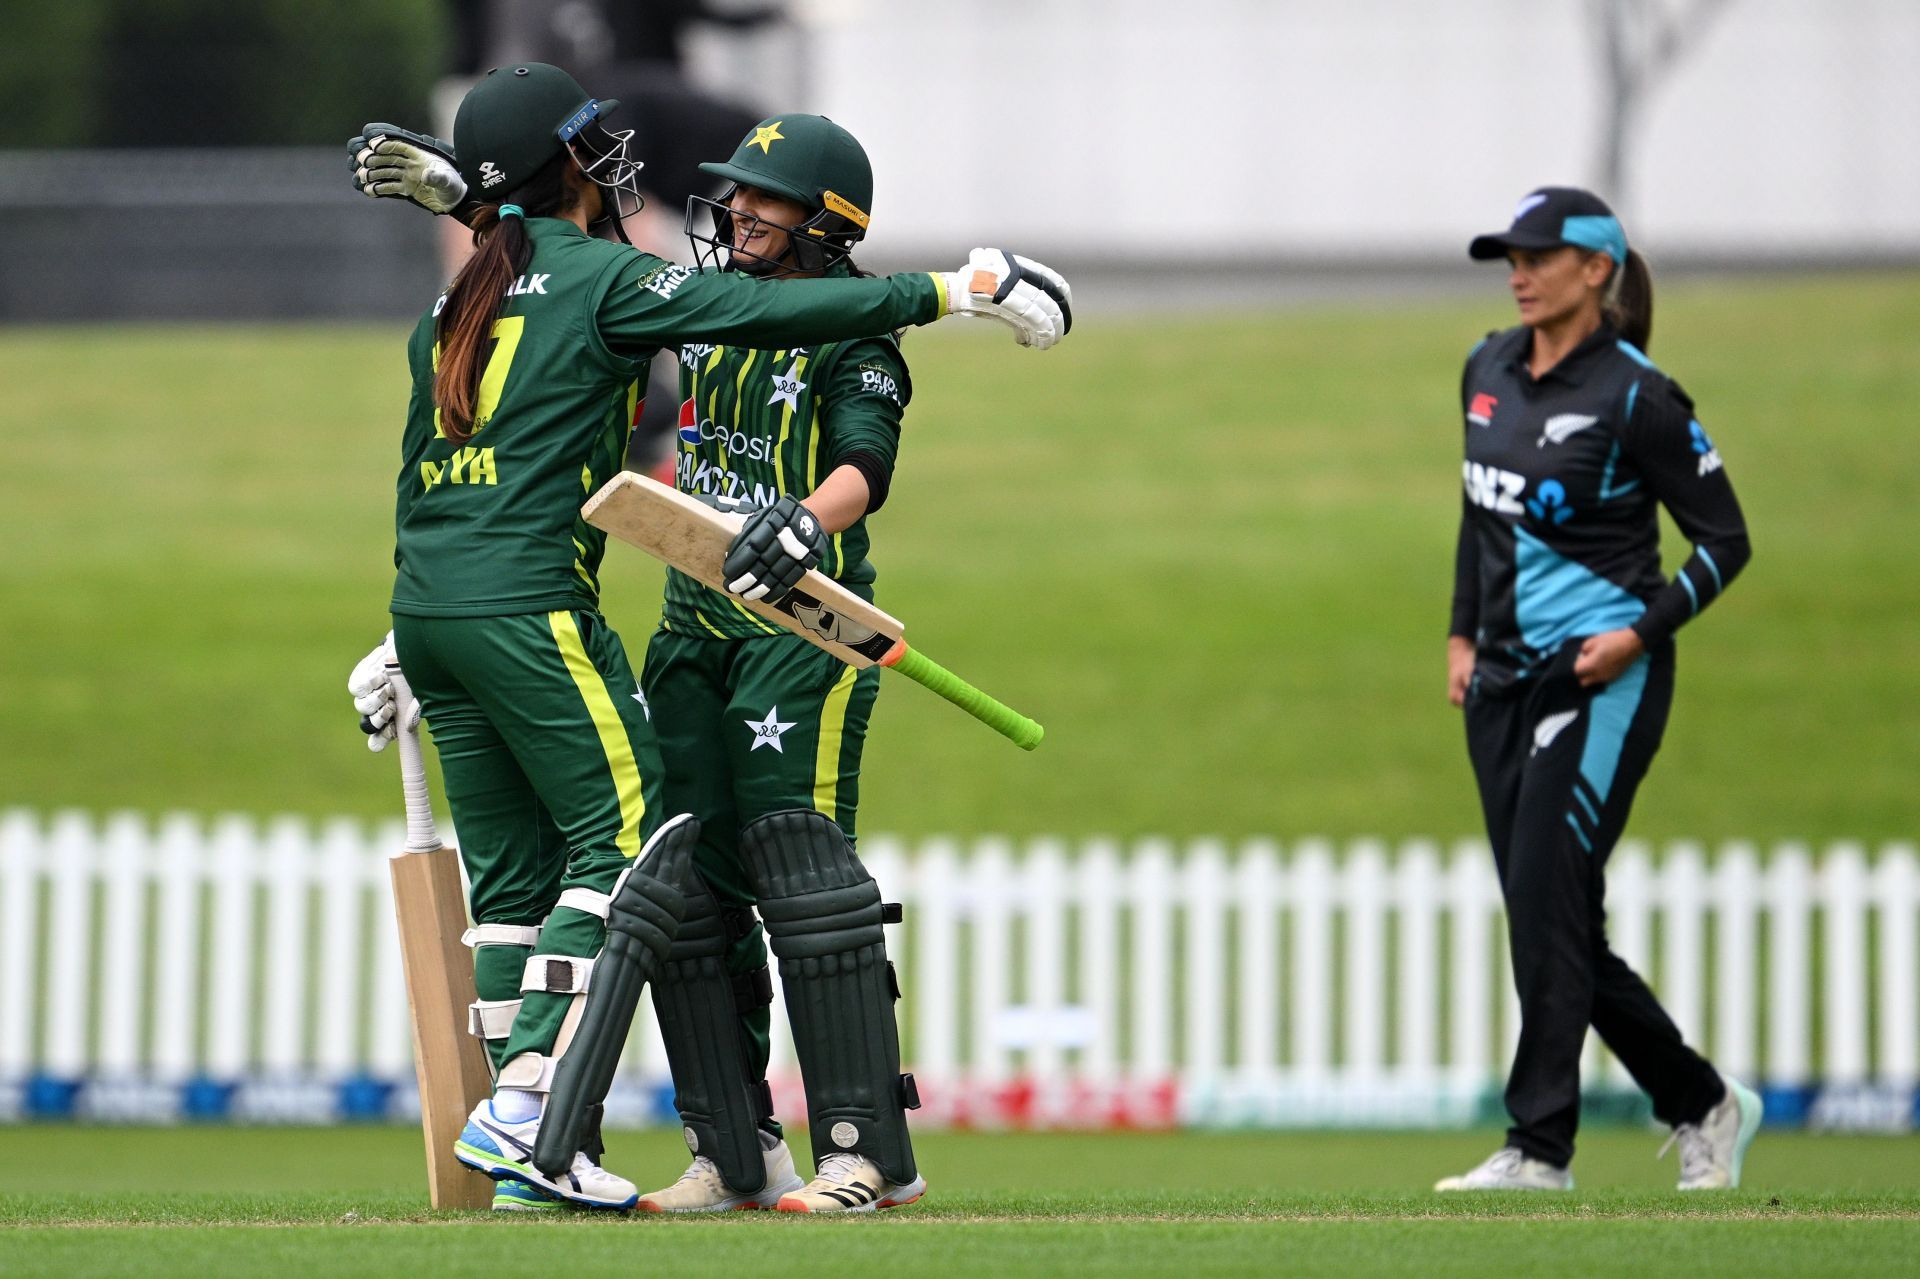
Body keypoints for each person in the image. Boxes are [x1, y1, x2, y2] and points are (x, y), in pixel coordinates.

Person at [344, 62, 1070, 1213]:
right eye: (732, 195)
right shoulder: (673, 297)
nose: (733, 212)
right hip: (689, 623)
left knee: (796, 863)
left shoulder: (839, 331)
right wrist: (479, 199)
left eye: (764, 201)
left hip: (800, 626)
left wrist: (816, 501)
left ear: (825, 224)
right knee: (673, 876)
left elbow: (861, 464)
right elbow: (555, 304)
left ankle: (861, 1151)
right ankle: (731, 1150)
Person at [1437, 187, 1760, 1191]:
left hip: (1598, 678)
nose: (1518, 272)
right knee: (1554, 915)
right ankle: (1702, 1099)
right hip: (1498, 678)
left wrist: (1638, 635)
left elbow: (1727, 541)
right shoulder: (1486, 365)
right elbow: (1477, 512)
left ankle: (1539, 1149)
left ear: (1596, 270)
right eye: (1509, 257)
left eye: (1538, 256)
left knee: (1546, 903)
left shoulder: (1638, 395)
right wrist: (1458, 631)